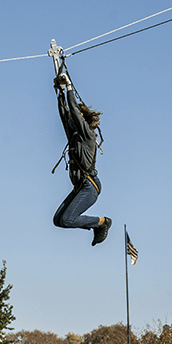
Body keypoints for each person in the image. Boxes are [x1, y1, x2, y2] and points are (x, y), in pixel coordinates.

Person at [53, 73, 111, 246]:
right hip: (81, 187)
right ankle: (97, 224)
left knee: (67, 220)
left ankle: (102, 222)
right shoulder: (74, 137)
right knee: (58, 220)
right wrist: (59, 91)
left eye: (75, 119)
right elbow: (65, 114)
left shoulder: (87, 136)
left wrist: (69, 86)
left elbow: (74, 114)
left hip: (89, 187)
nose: (70, 122)